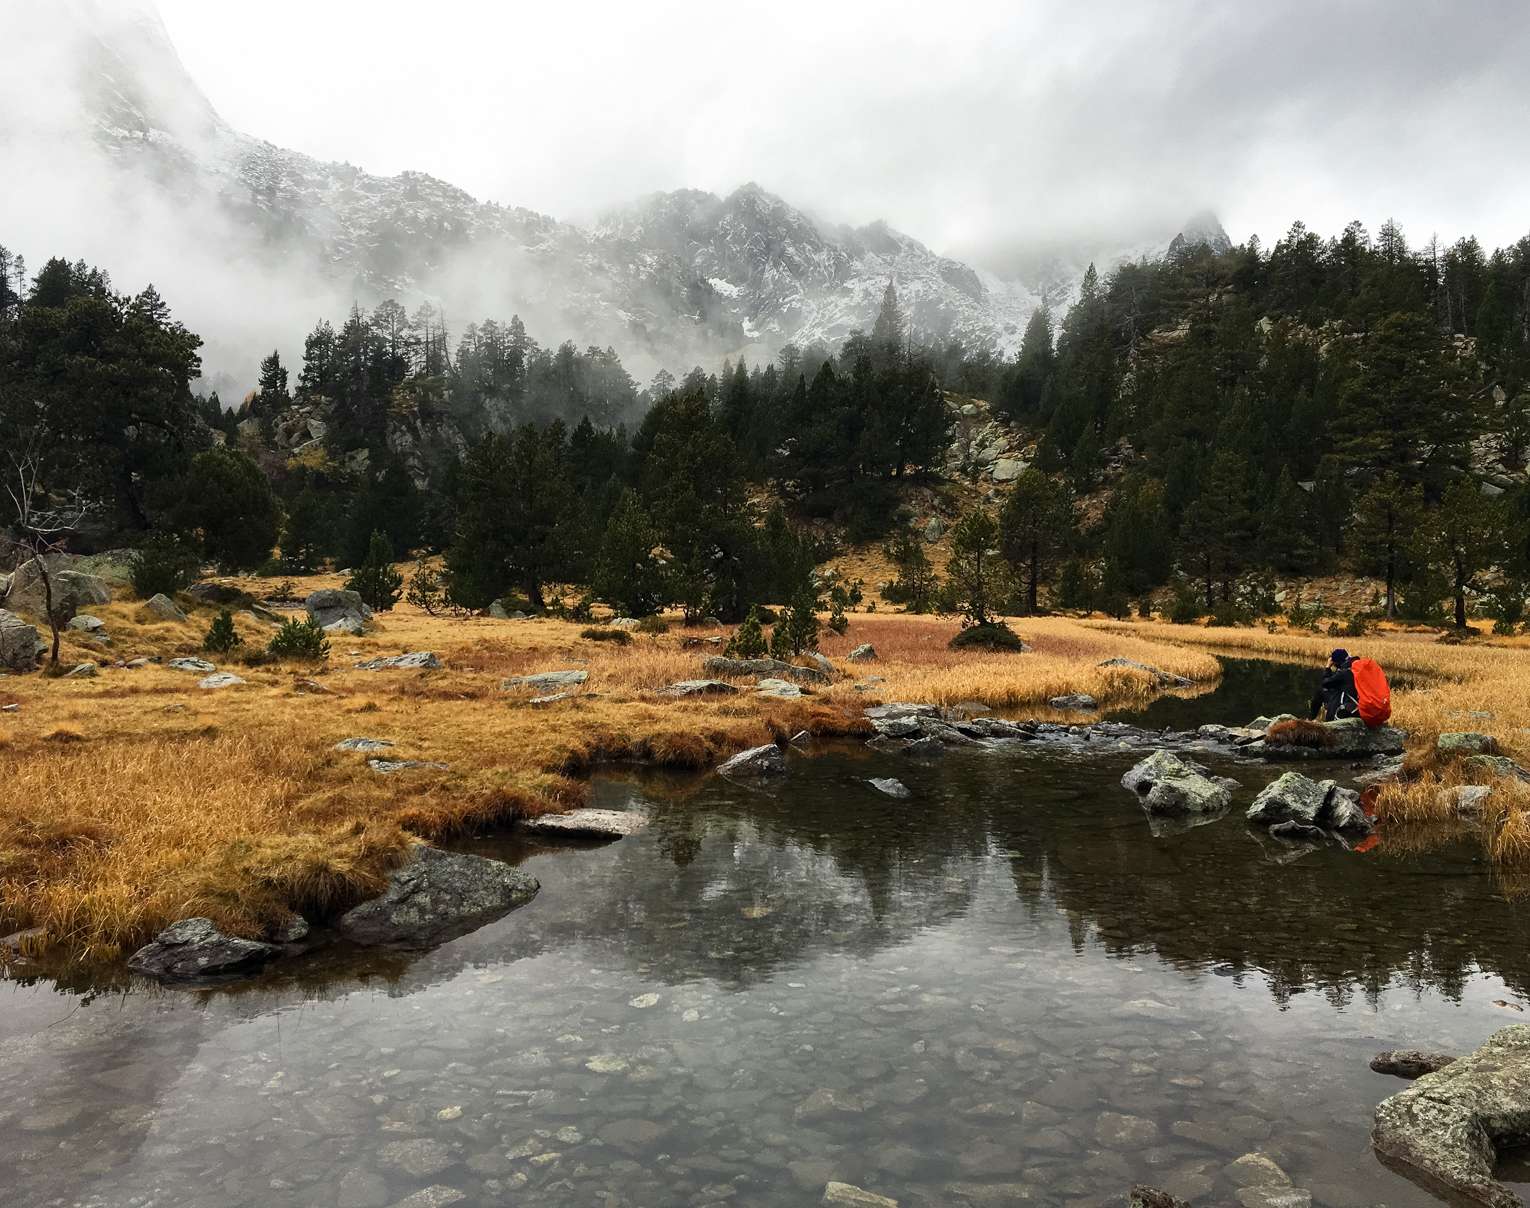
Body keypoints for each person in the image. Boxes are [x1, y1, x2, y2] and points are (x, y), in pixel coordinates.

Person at [1309, 648, 1359, 720]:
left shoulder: (1344, 672)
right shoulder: (1355, 668)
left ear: (1336, 662)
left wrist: (1328, 667)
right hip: (1358, 703)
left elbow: (1325, 683)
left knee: (1320, 692)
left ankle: (1310, 719)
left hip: (1347, 705)